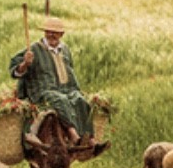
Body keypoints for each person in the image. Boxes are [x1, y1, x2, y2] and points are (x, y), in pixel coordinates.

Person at [9, 16, 110, 153]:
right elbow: (15, 71)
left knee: (80, 100)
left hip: (66, 89)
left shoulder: (65, 50)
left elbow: (70, 71)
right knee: (60, 100)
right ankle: (73, 134)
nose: (51, 34)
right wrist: (25, 64)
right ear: (44, 32)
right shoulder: (34, 49)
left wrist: (76, 89)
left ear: (61, 34)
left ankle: (91, 140)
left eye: (55, 32)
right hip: (42, 91)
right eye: (48, 31)